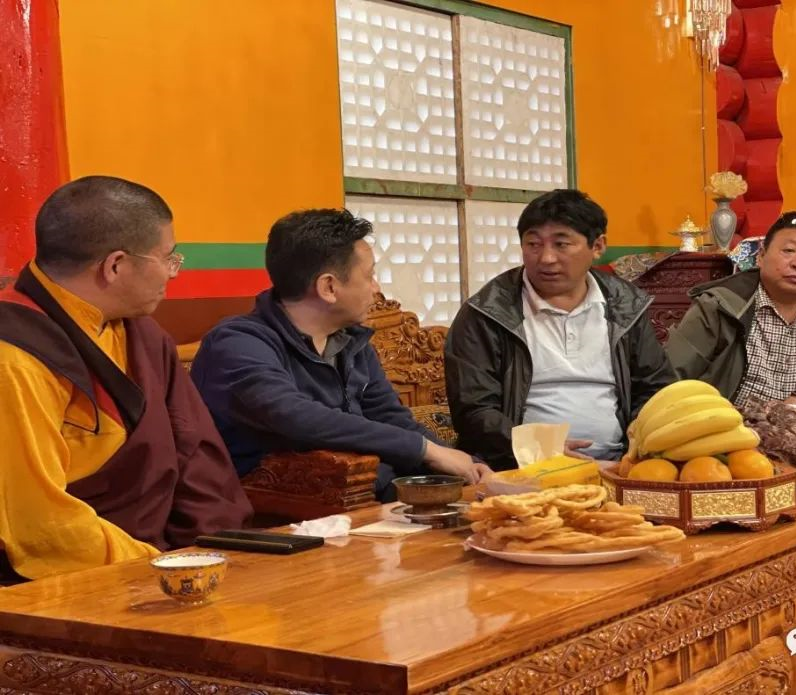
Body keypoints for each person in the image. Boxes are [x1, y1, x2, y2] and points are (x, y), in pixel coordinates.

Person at [0, 176, 252, 581]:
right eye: (168, 258)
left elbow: (194, 451)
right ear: (115, 265)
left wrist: (213, 549)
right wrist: (160, 566)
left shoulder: (142, 336)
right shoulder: (15, 356)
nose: (174, 273)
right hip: (63, 579)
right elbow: (38, 521)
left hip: (163, 560)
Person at [191, 209, 488, 501]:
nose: (376, 289)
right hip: (277, 508)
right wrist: (423, 450)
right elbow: (296, 417)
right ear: (329, 287)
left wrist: (464, 464)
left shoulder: (351, 340)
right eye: (369, 276)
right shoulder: (237, 343)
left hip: (367, 491)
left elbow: (389, 416)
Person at [445, 189, 675, 471]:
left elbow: (656, 389)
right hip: (518, 468)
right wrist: (540, 447)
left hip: (620, 464)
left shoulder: (626, 306)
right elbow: (473, 410)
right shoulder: (486, 312)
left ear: (598, 246)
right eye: (533, 244)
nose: (546, 258)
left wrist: (638, 445)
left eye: (561, 244)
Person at [665, 211, 796, 406]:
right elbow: (669, 378)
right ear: (761, 255)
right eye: (789, 251)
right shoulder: (718, 305)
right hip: (728, 426)